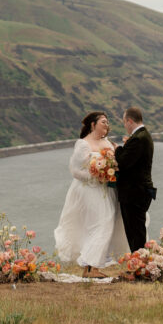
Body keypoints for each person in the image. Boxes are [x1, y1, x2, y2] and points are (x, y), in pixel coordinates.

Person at [53, 111, 129, 278]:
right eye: (103, 122)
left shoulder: (108, 143)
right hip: (89, 189)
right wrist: (96, 175)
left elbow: (116, 162)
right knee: (101, 223)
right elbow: (75, 171)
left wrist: (112, 170)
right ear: (93, 125)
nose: (106, 125)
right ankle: (91, 266)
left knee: (106, 223)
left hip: (107, 189)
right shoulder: (83, 144)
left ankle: (90, 266)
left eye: (107, 122)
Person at [114, 106, 155, 252]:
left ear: (130, 121)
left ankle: (140, 267)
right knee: (136, 231)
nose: (125, 126)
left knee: (135, 233)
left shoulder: (138, 138)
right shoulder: (143, 136)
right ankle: (140, 266)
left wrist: (117, 148)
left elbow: (123, 163)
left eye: (124, 122)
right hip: (139, 191)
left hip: (134, 192)